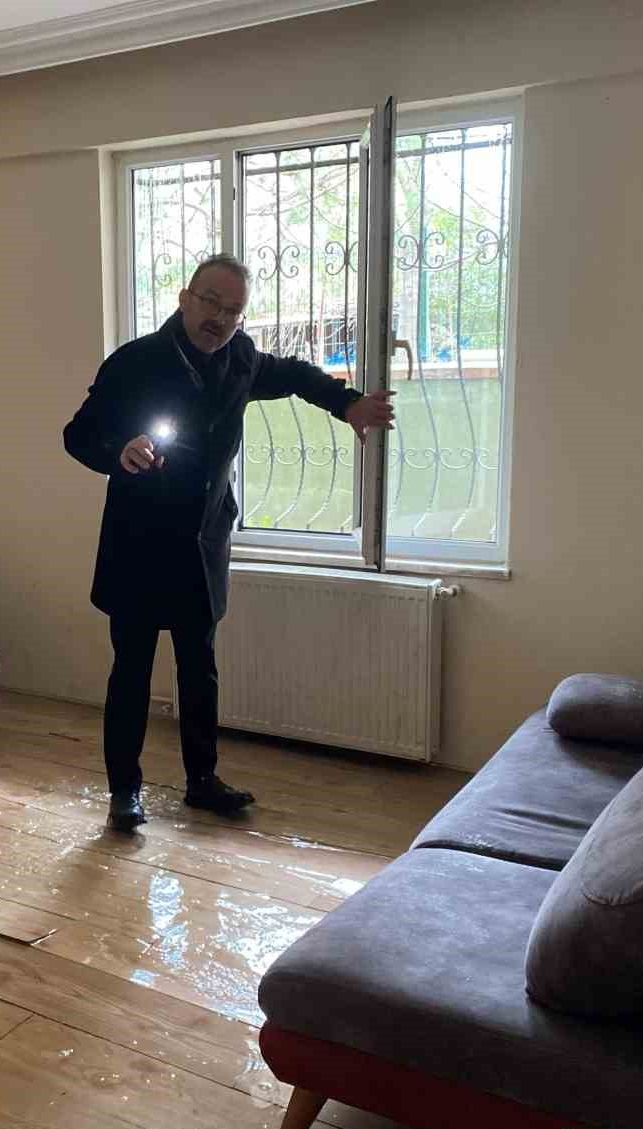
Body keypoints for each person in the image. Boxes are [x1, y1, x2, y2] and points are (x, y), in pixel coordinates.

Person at [63, 253, 395, 831]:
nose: (219, 317)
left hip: (202, 546)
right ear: (185, 299)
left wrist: (347, 403)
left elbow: (294, 375)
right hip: (139, 548)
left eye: (233, 309)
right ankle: (125, 793)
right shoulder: (135, 361)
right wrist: (119, 449)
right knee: (132, 673)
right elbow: (78, 434)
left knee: (200, 671)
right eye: (211, 301)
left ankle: (202, 782)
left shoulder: (241, 359)